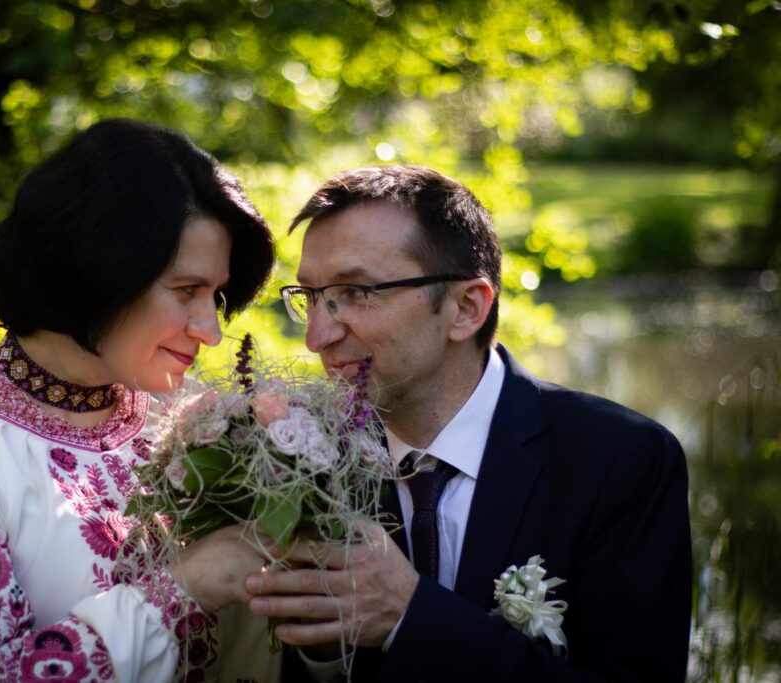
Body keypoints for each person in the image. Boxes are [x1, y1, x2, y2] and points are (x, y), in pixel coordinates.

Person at [247, 165, 692, 681]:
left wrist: (410, 618)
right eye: (310, 298)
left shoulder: (620, 462)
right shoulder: (305, 461)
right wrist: (324, 650)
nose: (316, 337)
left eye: (356, 292)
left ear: (465, 308)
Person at [0, 119, 279, 682]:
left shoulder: (191, 416)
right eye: (186, 290)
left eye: (216, 295)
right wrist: (181, 590)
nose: (210, 331)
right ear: (97, 269)